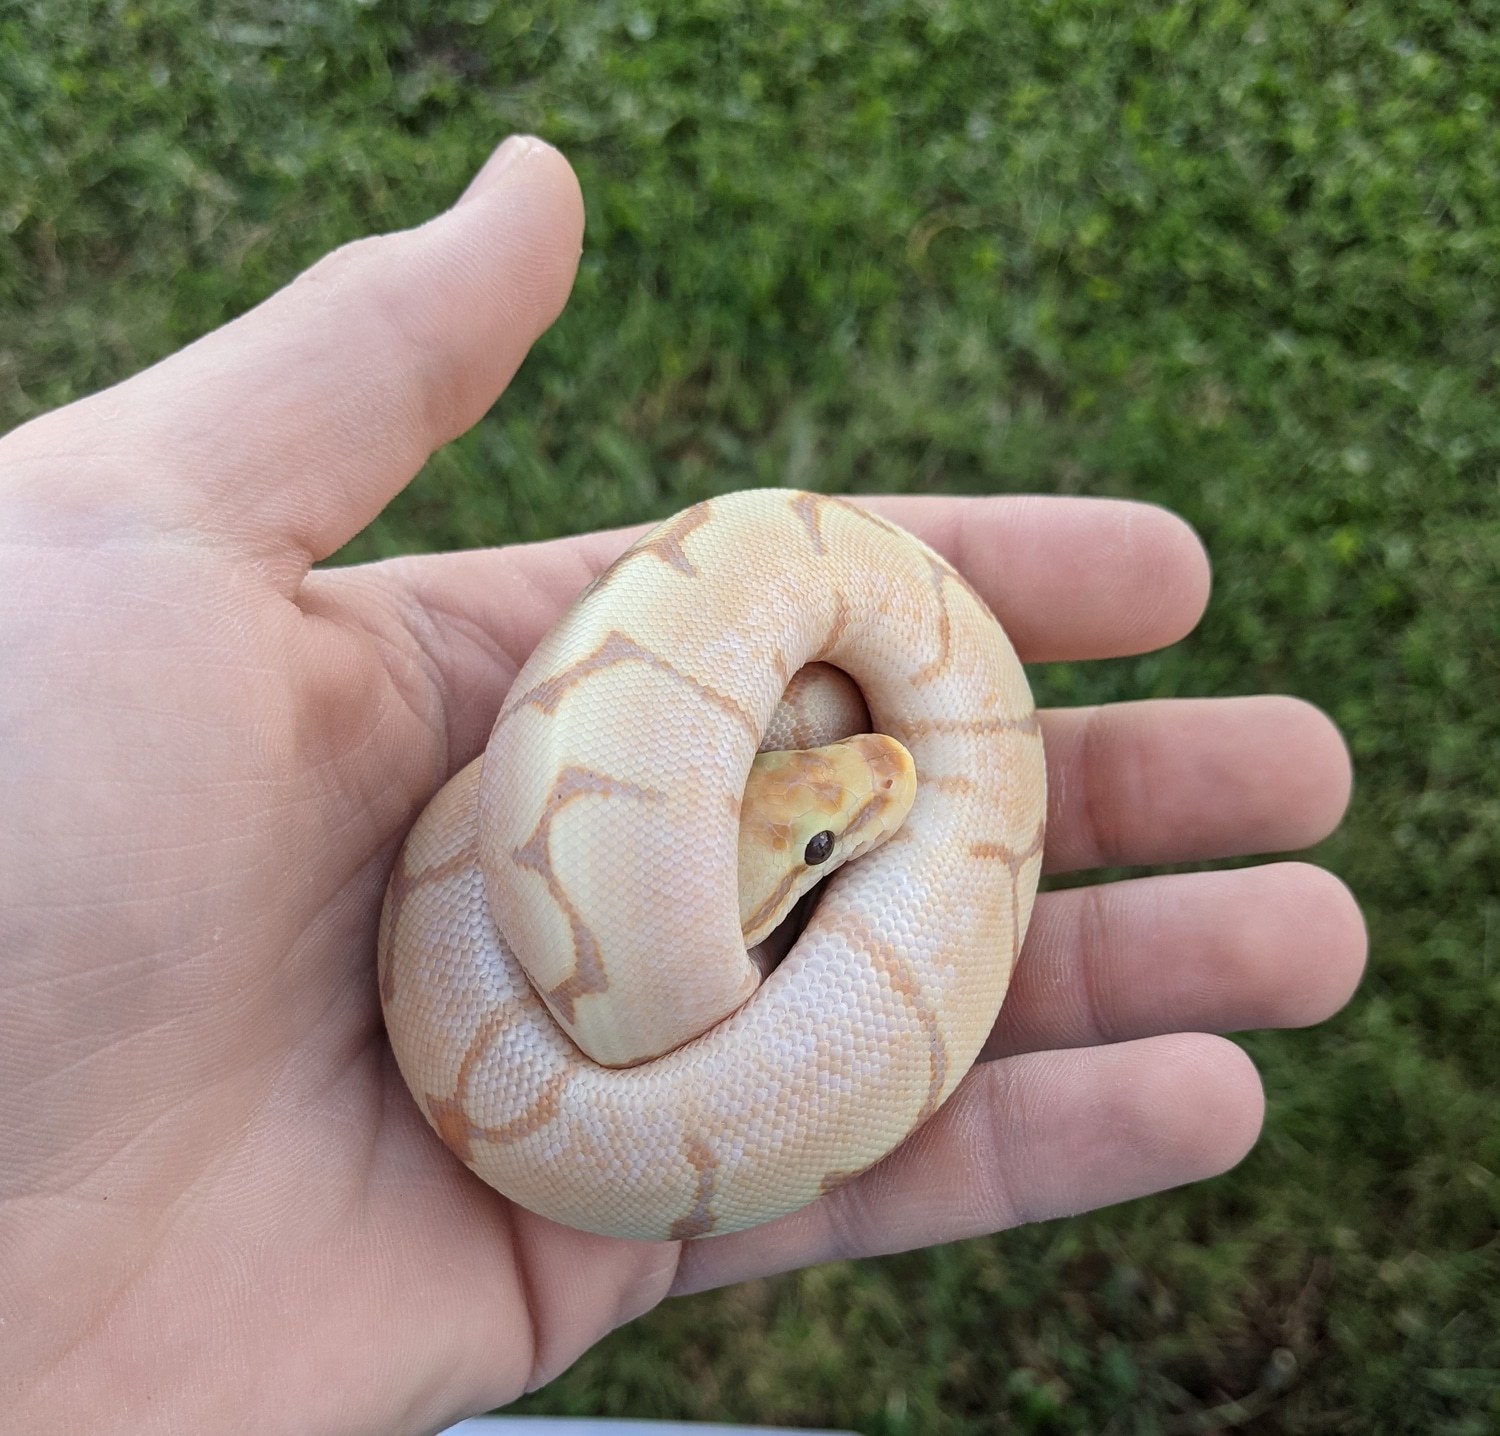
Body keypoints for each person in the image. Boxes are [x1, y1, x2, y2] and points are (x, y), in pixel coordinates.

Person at [0, 137, 1365, 1436]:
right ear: (768, 928)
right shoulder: (622, 920)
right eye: (828, 842)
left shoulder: (665, 824)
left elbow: (832, 778)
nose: (878, 780)